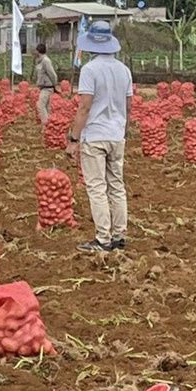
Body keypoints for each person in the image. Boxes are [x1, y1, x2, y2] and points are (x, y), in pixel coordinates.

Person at [65, 21, 131, 253]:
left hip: (95, 135)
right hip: (116, 134)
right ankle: (120, 235)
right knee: (117, 186)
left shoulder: (90, 70)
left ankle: (103, 239)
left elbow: (84, 107)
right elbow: (128, 105)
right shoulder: (124, 70)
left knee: (96, 187)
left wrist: (73, 139)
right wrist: (122, 129)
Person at [34, 43, 58, 124]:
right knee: (46, 107)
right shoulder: (40, 61)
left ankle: (46, 124)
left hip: (47, 87)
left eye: (35, 50)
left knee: (40, 105)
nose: (35, 52)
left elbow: (52, 74)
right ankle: (49, 124)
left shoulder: (46, 61)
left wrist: (54, 84)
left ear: (38, 51)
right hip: (43, 87)